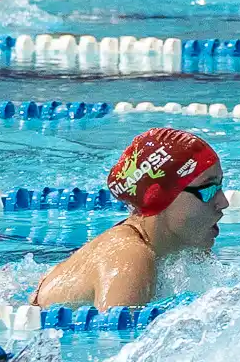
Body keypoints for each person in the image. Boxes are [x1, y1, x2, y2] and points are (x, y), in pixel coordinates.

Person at [28, 128, 226, 310]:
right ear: (159, 197)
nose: (223, 202)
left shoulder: (185, 250)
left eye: (220, 187)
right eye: (208, 190)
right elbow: (110, 342)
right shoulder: (129, 259)